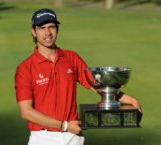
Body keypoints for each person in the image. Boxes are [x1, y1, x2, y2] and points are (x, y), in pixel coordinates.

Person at [14, 8, 142, 145]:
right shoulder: (25, 68)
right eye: (42, 28)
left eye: (52, 27)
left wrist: (129, 99)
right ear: (33, 32)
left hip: (72, 137)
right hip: (43, 137)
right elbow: (26, 112)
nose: (48, 33)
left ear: (57, 29)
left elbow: (98, 86)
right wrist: (64, 126)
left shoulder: (71, 58)